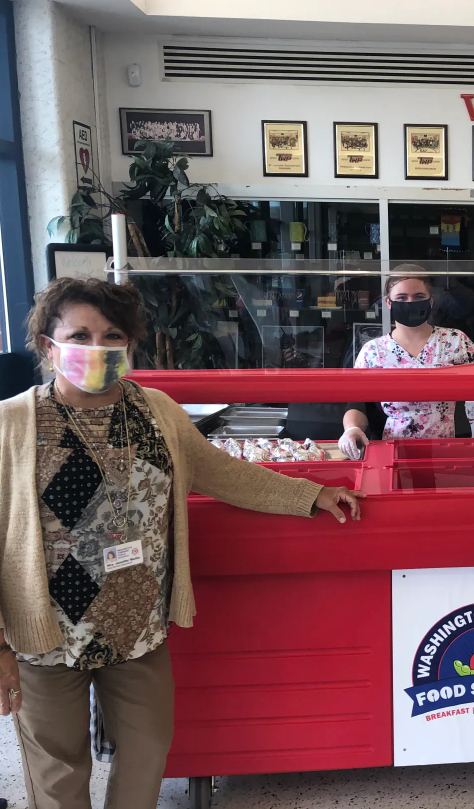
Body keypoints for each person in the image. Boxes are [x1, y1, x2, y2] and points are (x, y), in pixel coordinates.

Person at [0, 278, 364, 809]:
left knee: (147, 751)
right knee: (57, 772)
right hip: (47, 634)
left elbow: (223, 473)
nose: (97, 347)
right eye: (79, 335)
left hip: (139, 626)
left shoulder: (157, 413)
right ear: (47, 346)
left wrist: (310, 495)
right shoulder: (12, 425)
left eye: (112, 334)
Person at [338, 268, 474, 458]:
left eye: (418, 297)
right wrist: (352, 429)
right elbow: (359, 402)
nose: (410, 302)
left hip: (447, 448)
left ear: (430, 301)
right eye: (402, 298)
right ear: (389, 303)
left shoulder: (455, 341)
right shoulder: (373, 351)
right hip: (392, 451)